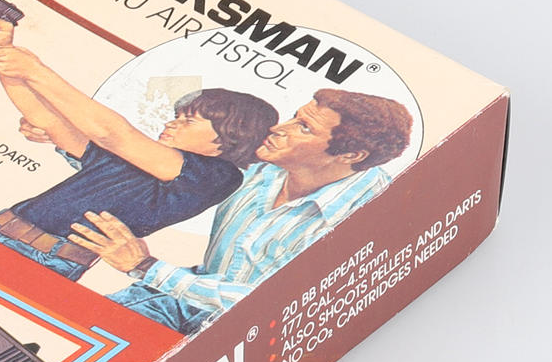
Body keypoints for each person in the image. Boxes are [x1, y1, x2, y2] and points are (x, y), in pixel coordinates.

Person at [68, 89, 415, 334]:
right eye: (295, 117)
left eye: (303, 128)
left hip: (244, 339)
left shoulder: (370, 216)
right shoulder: (260, 168)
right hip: (177, 301)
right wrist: (73, 146)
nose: (278, 129)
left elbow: (271, 305)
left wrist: (145, 266)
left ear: (351, 155)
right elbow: (167, 171)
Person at [0, 16, 279, 281]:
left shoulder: (218, 176)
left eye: (189, 121)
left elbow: (111, 134)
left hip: (43, 260)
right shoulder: (133, 160)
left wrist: (34, 70)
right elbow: (47, 120)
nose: (172, 124)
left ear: (231, 135)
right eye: (177, 116)